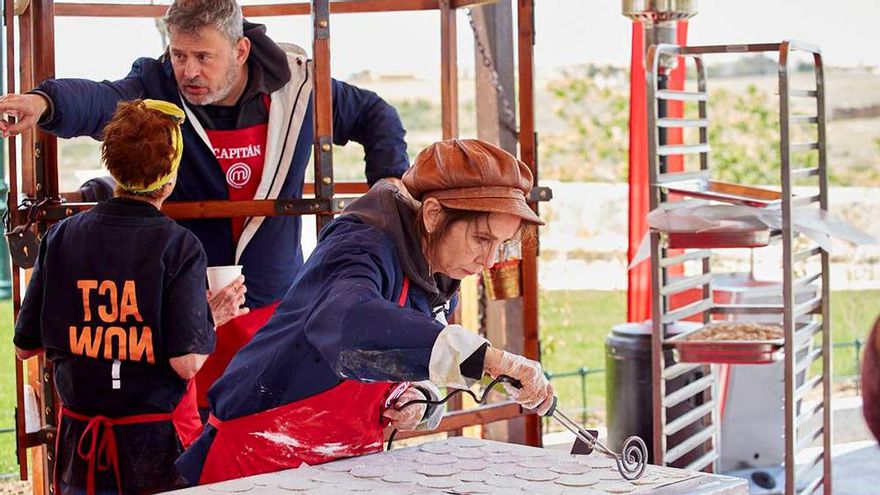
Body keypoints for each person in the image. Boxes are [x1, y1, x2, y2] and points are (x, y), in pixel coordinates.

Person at [0, 0, 410, 411]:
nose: (188, 71)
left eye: (203, 57)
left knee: (262, 431)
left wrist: (387, 191)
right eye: (179, 54)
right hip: (183, 309)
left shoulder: (299, 88)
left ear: (240, 51)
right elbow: (101, 101)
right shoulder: (156, 86)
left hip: (275, 304)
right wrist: (43, 104)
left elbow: (376, 116)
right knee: (188, 439)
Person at [176, 138, 555, 484]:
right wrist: (486, 358)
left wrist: (417, 398)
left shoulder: (439, 275)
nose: (489, 260)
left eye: (500, 245)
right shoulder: (359, 245)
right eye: (481, 238)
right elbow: (349, 322)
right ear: (434, 214)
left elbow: (404, 355)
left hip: (342, 464)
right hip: (258, 455)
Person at [13, 100, 215, 494]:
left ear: (113, 168)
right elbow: (187, 362)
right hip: (153, 453)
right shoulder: (180, 246)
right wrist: (208, 318)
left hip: (80, 449)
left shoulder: (62, 236)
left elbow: (25, 347)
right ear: (170, 179)